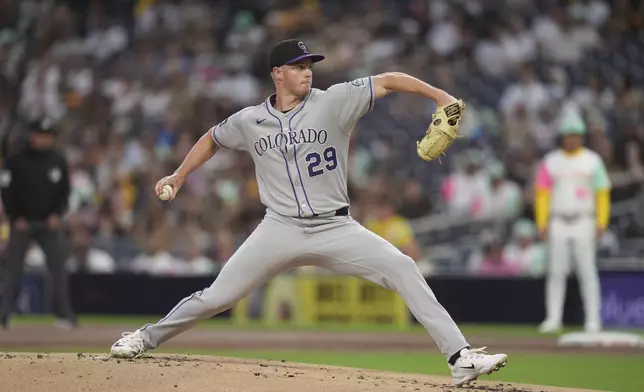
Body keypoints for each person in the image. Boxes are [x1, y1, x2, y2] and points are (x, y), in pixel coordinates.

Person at [109, 39, 507, 387]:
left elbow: (387, 80)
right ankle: (145, 337)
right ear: (277, 73)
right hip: (278, 228)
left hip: (336, 226)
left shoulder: (335, 100)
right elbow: (212, 138)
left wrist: (440, 96)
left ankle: (460, 358)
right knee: (217, 296)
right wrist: (179, 176)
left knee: (403, 267)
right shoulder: (250, 120)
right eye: (298, 67)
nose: (307, 73)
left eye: (309, 66)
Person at [534, 113, 611, 333]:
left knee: (587, 271)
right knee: (556, 272)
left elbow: (602, 192)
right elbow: (542, 193)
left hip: (584, 220)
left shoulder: (592, 160)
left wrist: (602, 221)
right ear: (562, 137)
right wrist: (542, 221)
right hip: (558, 220)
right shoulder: (551, 161)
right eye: (568, 135)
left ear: (582, 137)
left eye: (576, 135)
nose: (572, 139)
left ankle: (593, 320)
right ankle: (553, 318)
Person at [0, 119, 77, 329]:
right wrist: (16, 218)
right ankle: (3, 314)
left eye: (49, 135)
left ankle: (64, 315)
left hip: (48, 224)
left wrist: (56, 215)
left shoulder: (57, 160)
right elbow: (7, 191)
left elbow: (64, 191)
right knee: (12, 270)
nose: (46, 139)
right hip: (21, 224)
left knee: (58, 268)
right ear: (32, 135)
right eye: (42, 135)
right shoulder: (15, 159)